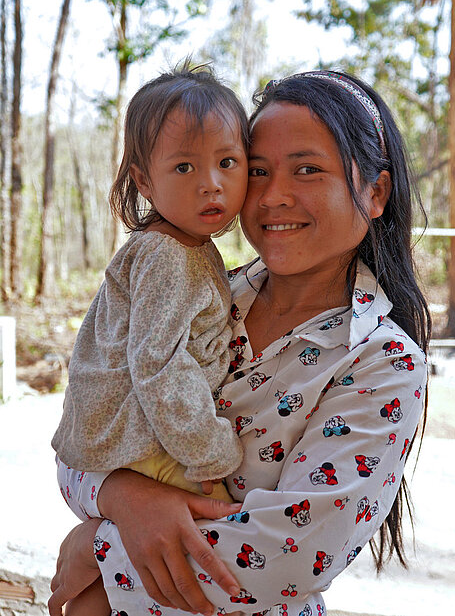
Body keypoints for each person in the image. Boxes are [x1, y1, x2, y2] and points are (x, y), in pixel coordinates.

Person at [49, 69, 431, 616]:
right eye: (257, 170)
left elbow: (288, 558)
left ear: (375, 192)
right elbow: (83, 430)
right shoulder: (195, 295)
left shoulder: (380, 362)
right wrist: (127, 499)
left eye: (307, 169)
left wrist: (97, 546)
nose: (273, 196)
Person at [51, 63, 250, 614]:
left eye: (227, 163)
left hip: (119, 443)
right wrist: (215, 453)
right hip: (143, 449)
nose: (211, 183)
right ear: (144, 181)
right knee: (218, 532)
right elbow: (159, 365)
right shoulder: (171, 257)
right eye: (184, 166)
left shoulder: (180, 245)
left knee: (113, 578)